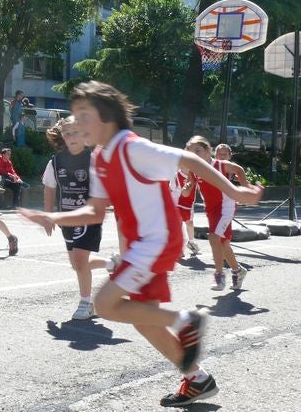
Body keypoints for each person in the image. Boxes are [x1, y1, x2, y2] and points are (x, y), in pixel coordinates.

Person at [19, 81, 263, 407]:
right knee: (143, 320)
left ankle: (185, 320)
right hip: (140, 244)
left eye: (83, 115)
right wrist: (53, 218)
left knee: (105, 305)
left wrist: (234, 192)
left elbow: (189, 161)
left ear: (105, 117)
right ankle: (197, 379)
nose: (75, 123)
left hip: (158, 240)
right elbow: (95, 211)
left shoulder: (133, 147)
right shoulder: (101, 158)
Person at [42, 116, 115, 320]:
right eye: (67, 133)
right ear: (62, 136)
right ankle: (111, 264)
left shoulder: (93, 160)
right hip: (67, 218)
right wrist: (49, 216)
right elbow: (49, 188)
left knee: (81, 261)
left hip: (88, 217)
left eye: (76, 132)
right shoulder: (55, 162)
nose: (71, 136)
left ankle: (85, 304)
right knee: (77, 264)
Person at [186, 136, 253, 291]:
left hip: (226, 207)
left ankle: (219, 276)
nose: (195, 154)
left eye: (198, 150)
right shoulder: (194, 169)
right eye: (191, 152)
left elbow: (239, 170)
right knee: (223, 244)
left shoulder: (220, 165)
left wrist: (245, 188)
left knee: (214, 238)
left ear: (208, 151)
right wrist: (187, 189)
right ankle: (238, 271)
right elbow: (187, 189)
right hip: (211, 210)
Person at [170, 166, 200, 257]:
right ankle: (178, 249)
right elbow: (171, 189)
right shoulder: (176, 175)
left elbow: (200, 188)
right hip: (177, 204)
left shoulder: (195, 175)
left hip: (189, 204)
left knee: (189, 224)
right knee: (178, 226)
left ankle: (191, 242)